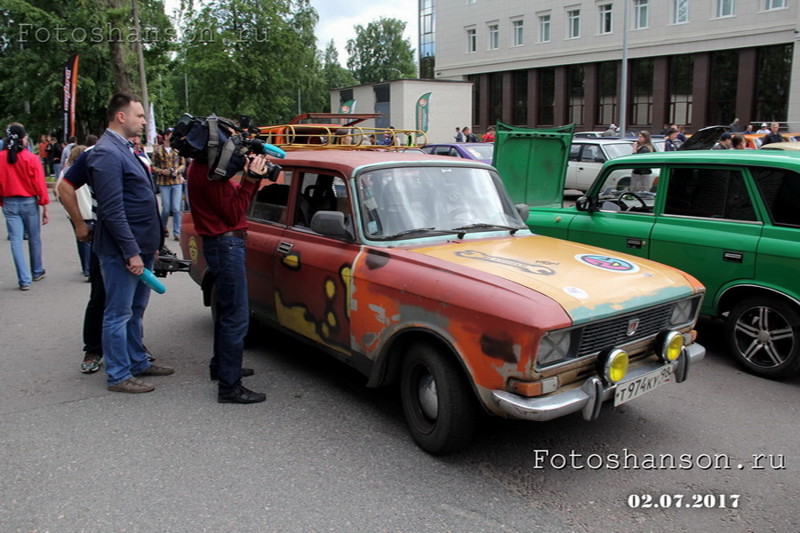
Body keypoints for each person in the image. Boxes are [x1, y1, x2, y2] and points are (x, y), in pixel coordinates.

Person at [86, 93, 173, 393]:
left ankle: (137, 361)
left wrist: (153, 242)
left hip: (140, 247)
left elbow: (143, 199)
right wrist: (131, 251)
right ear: (121, 117)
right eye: (139, 116)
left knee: (135, 309)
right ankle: (119, 374)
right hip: (123, 252)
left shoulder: (125, 149)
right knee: (118, 313)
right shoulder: (107, 152)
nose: (144, 121)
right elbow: (111, 210)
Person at [187, 144, 268, 404]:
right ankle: (229, 386)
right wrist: (250, 180)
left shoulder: (199, 167)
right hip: (226, 244)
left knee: (225, 311)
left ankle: (222, 367)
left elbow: (231, 199)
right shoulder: (209, 174)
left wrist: (248, 180)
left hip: (221, 244)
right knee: (236, 316)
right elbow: (234, 212)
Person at [0, 123, 49, 290]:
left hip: (9, 202)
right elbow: (40, 184)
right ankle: (36, 270)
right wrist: (44, 205)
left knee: (16, 241)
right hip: (29, 201)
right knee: (34, 238)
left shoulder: (1, 158)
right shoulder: (31, 158)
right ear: (22, 138)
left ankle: (23, 279)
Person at [151, 128, 186, 241]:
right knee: (166, 208)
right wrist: (162, 171)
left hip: (176, 181)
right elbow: (153, 166)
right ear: (166, 136)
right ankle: (163, 228)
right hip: (163, 182)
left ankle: (177, 232)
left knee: (176, 208)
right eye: (171, 135)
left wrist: (177, 171)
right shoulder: (157, 150)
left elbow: (183, 164)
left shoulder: (177, 149)